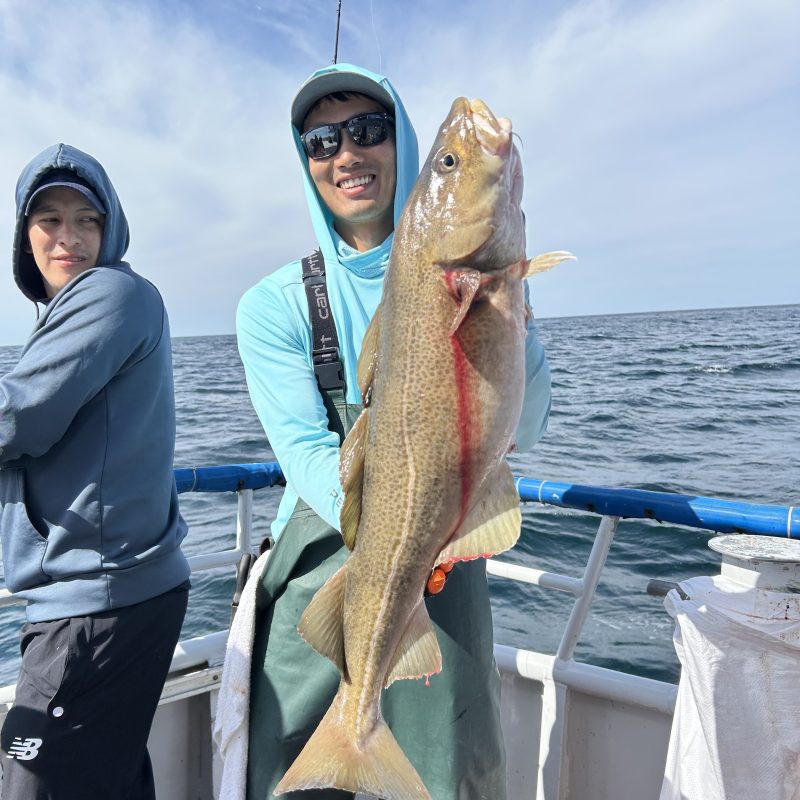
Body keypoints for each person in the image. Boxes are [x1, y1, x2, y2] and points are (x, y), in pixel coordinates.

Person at [235, 63, 552, 800]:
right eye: (321, 139)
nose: (346, 153)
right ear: (306, 161)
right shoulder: (272, 304)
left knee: (451, 780)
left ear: (400, 143)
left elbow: (525, 430)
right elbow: (306, 452)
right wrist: (394, 541)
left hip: (446, 555)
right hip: (331, 564)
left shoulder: (492, 283)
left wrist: (515, 314)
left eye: (368, 130)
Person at [0, 144, 191, 799]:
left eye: (88, 220)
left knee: (34, 785)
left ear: (112, 230)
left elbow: (17, 417)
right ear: (24, 237)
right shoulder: (98, 305)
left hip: (96, 601)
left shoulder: (111, 292)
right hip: (121, 591)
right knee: (107, 779)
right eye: (49, 220)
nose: (69, 237)